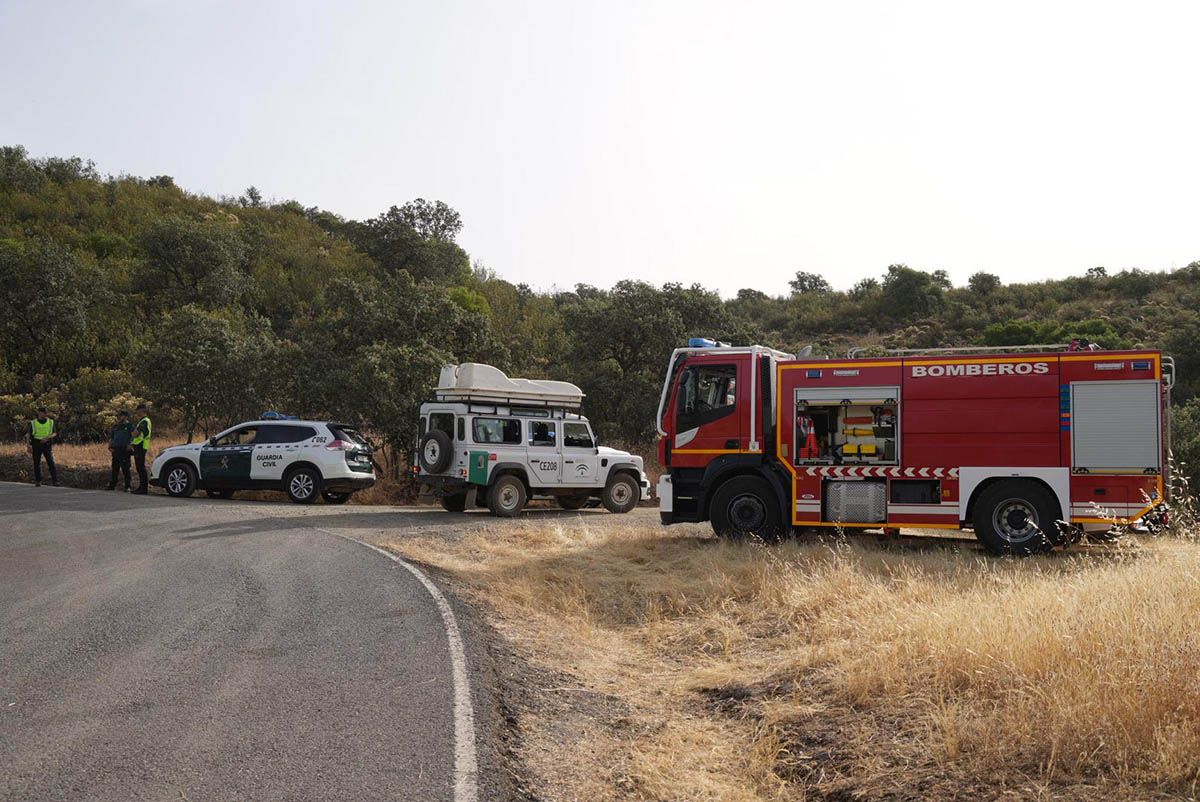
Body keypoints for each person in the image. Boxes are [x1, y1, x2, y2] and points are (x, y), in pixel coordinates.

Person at [28, 406, 59, 487]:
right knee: (36, 463)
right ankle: (38, 481)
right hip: (36, 444)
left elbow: (54, 433)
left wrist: (47, 438)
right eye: (43, 412)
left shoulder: (51, 422)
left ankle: (55, 481)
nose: (45, 414)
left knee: (51, 463)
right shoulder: (33, 423)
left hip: (47, 444)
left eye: (46, 412)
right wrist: (28, 446)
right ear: (39, 412)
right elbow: (29, 435)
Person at [107, 410, 135, 491]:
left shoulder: (130, 426)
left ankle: (127, 486)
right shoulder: (116, 426)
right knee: (115, 468)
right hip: (116, 449)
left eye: (123, 415)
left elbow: (134, 436)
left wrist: (131, 445)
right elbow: (112, 437)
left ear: (126, 416)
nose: (121, 417)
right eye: (120, 415)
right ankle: (112, 485)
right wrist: (110, 445)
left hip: (125, 449)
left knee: (125, 468)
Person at [130, 403, 153, 495]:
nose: (136, 412)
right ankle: (142, 488)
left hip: (141, 445)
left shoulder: (144, 421)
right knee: (140, 467)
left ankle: (143, 488)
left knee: (141, 468)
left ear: (142, 410)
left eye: (138, 410)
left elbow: (136, 434)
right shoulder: (143, 421)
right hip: (140, 445)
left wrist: (133, 433)